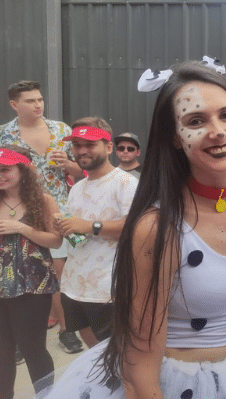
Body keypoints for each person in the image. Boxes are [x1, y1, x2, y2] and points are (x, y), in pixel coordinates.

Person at [41, 61, 226, 399]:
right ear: (176, 138)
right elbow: (139, 367)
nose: (218, 130)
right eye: (196, 121)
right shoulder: (157, 228)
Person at [0, 81, 84, 354]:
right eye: (30, 101)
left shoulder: (61, 130)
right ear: (14, 104)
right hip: (18, 208)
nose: (38, 105)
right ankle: (23, 336)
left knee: (61, 272)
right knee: (20, 272)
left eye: (40, 99)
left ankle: (66, 330)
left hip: (60, 209)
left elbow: (83, 169)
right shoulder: (0, 135)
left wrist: (69, 165)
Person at [54, 117, 138, 348]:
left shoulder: (126, 183)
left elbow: (139, 228)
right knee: (94, 356)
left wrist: (91, 226)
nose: (82, 151)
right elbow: (78, 232)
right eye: (77, 145)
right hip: (74, 286)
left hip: (109, 289)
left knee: (119, 356)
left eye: (89, 144)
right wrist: (64, 225)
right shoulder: (78, 188)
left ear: (108, 147)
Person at [0, 146, 62, 398]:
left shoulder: (42, 200)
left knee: (32, 347)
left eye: (5, 169)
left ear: (23, 170)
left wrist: (21, 229)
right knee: (0, 350)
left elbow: (55, 241)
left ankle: (47, 395)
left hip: (33, 286)